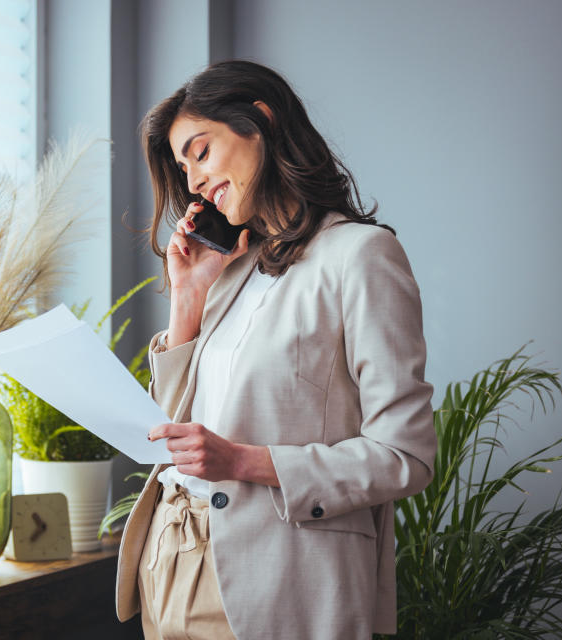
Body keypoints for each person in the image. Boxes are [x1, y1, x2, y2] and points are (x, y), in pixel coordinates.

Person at [114, 60, 438, 640]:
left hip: (278, 582)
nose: (191, 182)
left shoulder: (360, 256)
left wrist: (242, 462)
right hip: (169, 565)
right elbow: (168, 428)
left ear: (258, 121)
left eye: (201, 151)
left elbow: (405, 456)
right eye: (182, 167)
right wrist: (187, 302)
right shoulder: (231, 268)